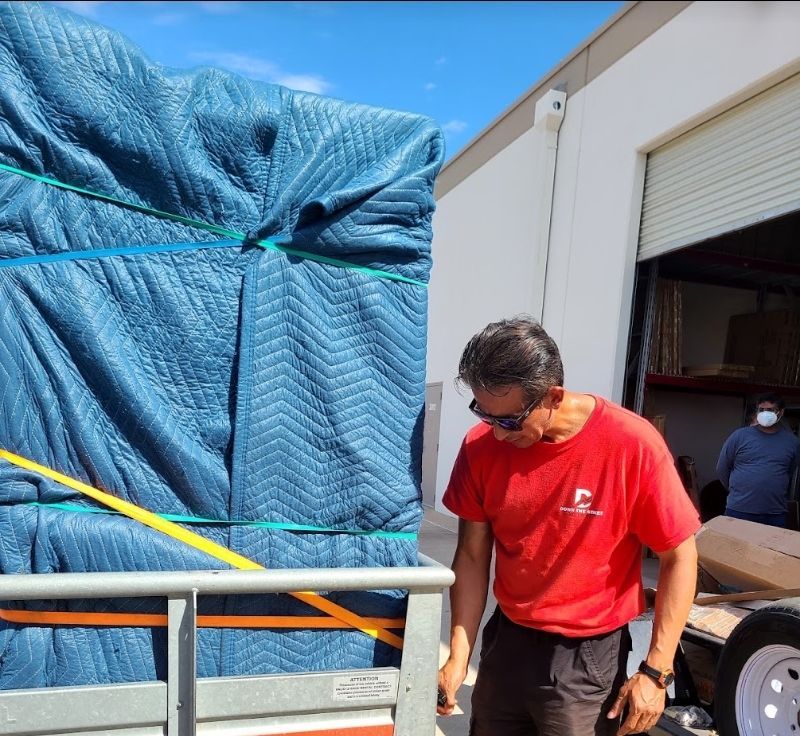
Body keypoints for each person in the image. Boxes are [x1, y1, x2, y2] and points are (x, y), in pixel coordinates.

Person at [436, 316, 700, 736]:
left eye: (509, 421)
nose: (498, 435)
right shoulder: (480, 447)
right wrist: (459, 651)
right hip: (508, 641)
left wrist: (657, 671)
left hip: (586, 658)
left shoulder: (631, 445)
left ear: (553, 396)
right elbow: (471, 554)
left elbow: (680, 556)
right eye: (485, 415)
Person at [716, 392, 800, 528]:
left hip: (775, 513)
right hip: (739, 510)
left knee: (770, 549)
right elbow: (722, 469)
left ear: (780, 413)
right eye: (761, 410)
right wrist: (738, 489)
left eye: (770, 410)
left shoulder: (792, 442)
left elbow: (789, 471)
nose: (765, 413)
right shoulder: (739, 436)